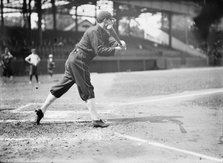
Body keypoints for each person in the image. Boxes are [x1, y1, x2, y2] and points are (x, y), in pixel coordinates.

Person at [35, 10, 127, 127]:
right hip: (79, 60)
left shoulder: (103, 32)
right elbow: (99, 50)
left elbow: (111, 41)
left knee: (62, 86)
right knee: (87, 88)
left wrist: (120, 44)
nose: (111, 21)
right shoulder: (94, 31)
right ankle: (95, 119)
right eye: (109, 19)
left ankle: (41, 110)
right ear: (105, 20)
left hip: (74, 58)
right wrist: (117, 49)